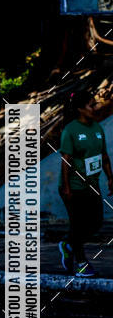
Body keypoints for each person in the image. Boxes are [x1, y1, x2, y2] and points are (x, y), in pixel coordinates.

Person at [58, 89, 112, 278]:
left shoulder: (97, 128)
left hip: (92, 186)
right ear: (80, 109)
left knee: (96, 223)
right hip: (74, 187)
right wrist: (66, 187)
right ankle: (81, 265)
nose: (95, 107)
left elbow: (104, 156)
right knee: (78, 225)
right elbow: (66, 161)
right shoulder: (70, 130)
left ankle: (67, 244)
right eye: (91, 105)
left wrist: (110, 178)